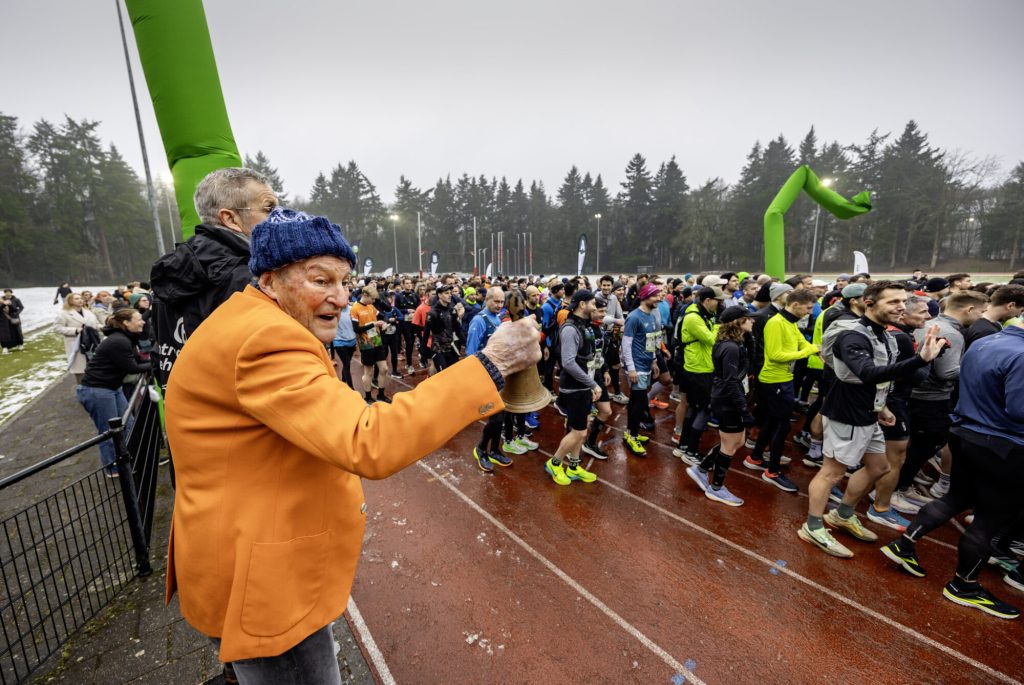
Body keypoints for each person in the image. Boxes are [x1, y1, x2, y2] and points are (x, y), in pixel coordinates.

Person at [164, 207, 541, 679]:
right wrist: (490, 364)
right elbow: (368, 440)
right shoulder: (267, 339)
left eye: (344, 281)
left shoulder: (252, 320)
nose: (341, 297)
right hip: (265, 586)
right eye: (321, 280)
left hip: (245, 555)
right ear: (270, 279)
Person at [880, 319, 1024, 619]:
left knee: (956, 497)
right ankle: (964, 585)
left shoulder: (986, 341)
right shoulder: (1020, 353)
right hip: (1001, 443)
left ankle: (905, 543)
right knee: (988, 519)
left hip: (963, 432)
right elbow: (1019, 411)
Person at [799, 282, 945, 558]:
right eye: (892, 302)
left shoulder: (883, 334)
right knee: (831, 472)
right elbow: (868, 373)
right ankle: (813, 525)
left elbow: (879, 378)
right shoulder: (852, 336)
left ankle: (842, 515)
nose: (901, 306)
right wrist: (921, 359)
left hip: (870, 410)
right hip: (847, 412)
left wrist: (883, 406)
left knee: (879, 467)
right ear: (869, 303)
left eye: (902, 301)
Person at [150, 167, 279, 383]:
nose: (279, 217)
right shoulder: (248, 279)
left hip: (184, 408)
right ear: (230, 218)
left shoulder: (171, 272)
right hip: (238, 411)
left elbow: (160, 355)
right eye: (269, 209)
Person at [745, 288, 818, 492]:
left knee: (771, 420)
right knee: (782, 425)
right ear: (795, 305)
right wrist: (809, 350)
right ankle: (772, 471)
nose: (810, 312)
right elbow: (776, 355)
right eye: (808, 307)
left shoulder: (790, 323)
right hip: (774, 380)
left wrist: (814, 348)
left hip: (783, 379)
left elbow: (803, 342)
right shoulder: (776, 323)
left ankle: (756, 457)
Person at [686, 306, 756, 506]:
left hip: (729, 398)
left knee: (738, 441)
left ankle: (701, 469)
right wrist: (743, 409)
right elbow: (731, 381)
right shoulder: (731, 347)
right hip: (728, 401)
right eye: (748, 319)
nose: (752, 322)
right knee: (730, 445)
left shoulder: (734, 343)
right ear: (738, 322)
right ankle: (716, 488)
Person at [75, 308, 151, 477]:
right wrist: (157, 365)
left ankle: (129, 457)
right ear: (126, 323)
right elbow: (132, 367)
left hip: (112, 388)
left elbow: (138, 360)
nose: (143, 322)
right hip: (97, 390)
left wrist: (155, 359)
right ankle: (113, 468)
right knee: (109, 432)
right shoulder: (119, 341)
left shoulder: (126, 338)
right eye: (139, 319)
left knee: (128, 424)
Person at [545, 289, 601, 486]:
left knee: (582, 427)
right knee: (579, 431)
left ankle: (574, 466)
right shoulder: (570, 328)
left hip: (582, 386)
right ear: (582, 305)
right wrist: (592, 383)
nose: (596, 307)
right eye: (593, 303)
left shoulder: (584, 325)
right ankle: (554, 463)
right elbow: (568, 363)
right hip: (574, 388)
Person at [674, 286, 724, 464]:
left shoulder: (702, 315)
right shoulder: (694, 317)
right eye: (718, 301)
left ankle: (683, 446)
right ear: (707, 300)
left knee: (695, 408)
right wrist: (719, 322)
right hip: (698, 369)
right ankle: (691, 451)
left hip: (698, 366)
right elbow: (711, 339)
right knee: (704, 408)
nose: (720, 305)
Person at [468, 287, 514, 473]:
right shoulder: (479, 321)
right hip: (486, 377)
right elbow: (471, 353)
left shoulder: (501, 319)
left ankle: (494, 449)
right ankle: (481, 449)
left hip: (501, 375)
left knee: (502, 416)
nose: (499, 305)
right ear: (486, 300)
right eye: (495, 301)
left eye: (502, 302)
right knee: (496, 418)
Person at [621, 283, 663, 455]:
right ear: (645, 296)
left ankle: (630, 433)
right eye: (655, 295)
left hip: (646, 365)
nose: (658, 298)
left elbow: (651, 342)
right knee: (639, 402)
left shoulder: (652, 316)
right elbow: (626, 344)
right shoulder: (634, 317)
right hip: (636, 367)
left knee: (635, 402)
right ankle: (633, 435)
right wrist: (631, 368)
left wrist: (654, 361)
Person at [350, 284, 391, 404]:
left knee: (383, 369)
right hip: (365, 345)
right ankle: (367, 397)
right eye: (372, 299)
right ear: (365, 295)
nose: (373, 301)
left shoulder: (371, 306)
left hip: (377, 341)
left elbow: (383, 316)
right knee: (368, 372)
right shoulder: (355, 308)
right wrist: (374, 324)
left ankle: (381, 395)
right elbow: (356, 329)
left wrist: (384, 323)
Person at [55, 292, 102, 383]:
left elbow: (95, 325)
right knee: (81, 373)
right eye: (76, 298)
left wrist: (104, 328)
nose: (80, 300)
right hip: (76, 345)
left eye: (80, 298)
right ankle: (82, 392)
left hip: (91, 344)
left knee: (94, 370)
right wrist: (75, 330)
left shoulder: (88, 312)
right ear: (70, 301)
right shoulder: (64, 313)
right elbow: (57, 328)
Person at [426, 283, 460, 372]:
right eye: (446, 293)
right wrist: (423, 353)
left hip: (451, 348)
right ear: (439, 295)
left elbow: (458, 330)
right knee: (443, 374)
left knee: (453, 375)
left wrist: (466, 343)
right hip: (438, 349)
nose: (450, 295)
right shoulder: (432, 313)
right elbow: (426, 334)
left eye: (450, 293)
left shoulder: (452, 310)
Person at [394, 277, 420, 374]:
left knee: (411, 344)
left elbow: (419, 307)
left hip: (414, 323)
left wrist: (415, 313)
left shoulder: (415, 295)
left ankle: (419, 360)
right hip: (404, 324)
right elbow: (396, 310)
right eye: (407, 283)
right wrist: (406, 311)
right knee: (408, 342)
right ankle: (409, 364)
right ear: (403, 285)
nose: (409, 285)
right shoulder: (399, 296)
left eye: (410, 283)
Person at [330, 302, 356, 389]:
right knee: (347, 364)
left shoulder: (352, 309)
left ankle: (343, 381)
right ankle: (351, 389)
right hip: (339, 342)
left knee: (346, 364)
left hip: (352, 341)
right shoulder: (333, 311)